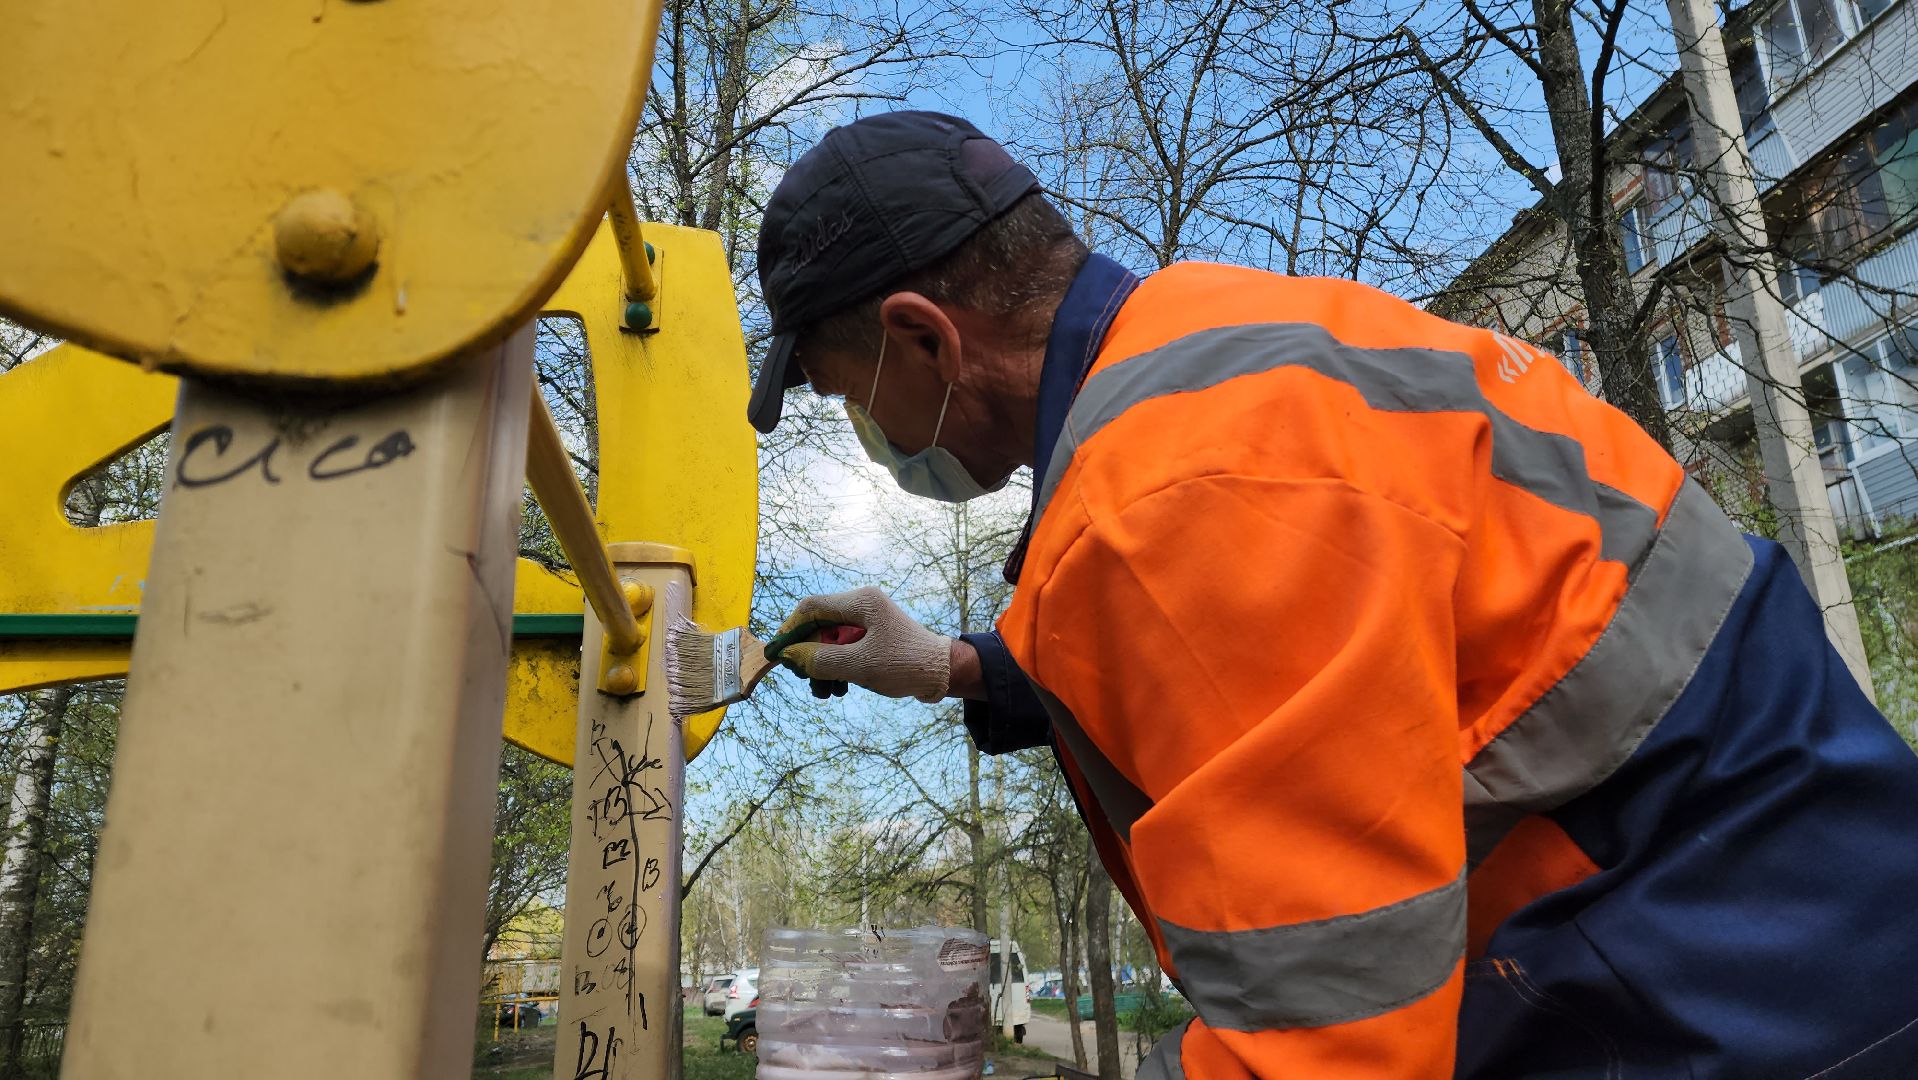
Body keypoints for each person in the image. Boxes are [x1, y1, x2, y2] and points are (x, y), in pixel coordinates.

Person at [746, 111, 1918, 1078]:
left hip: (1727, 983)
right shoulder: (1217, 343)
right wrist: (958, 666)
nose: (866, 433)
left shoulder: (1165, 497)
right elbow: (1329, 640)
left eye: (845, 397)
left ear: (924, 339)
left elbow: (1321, 1030)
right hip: (1796, 888)